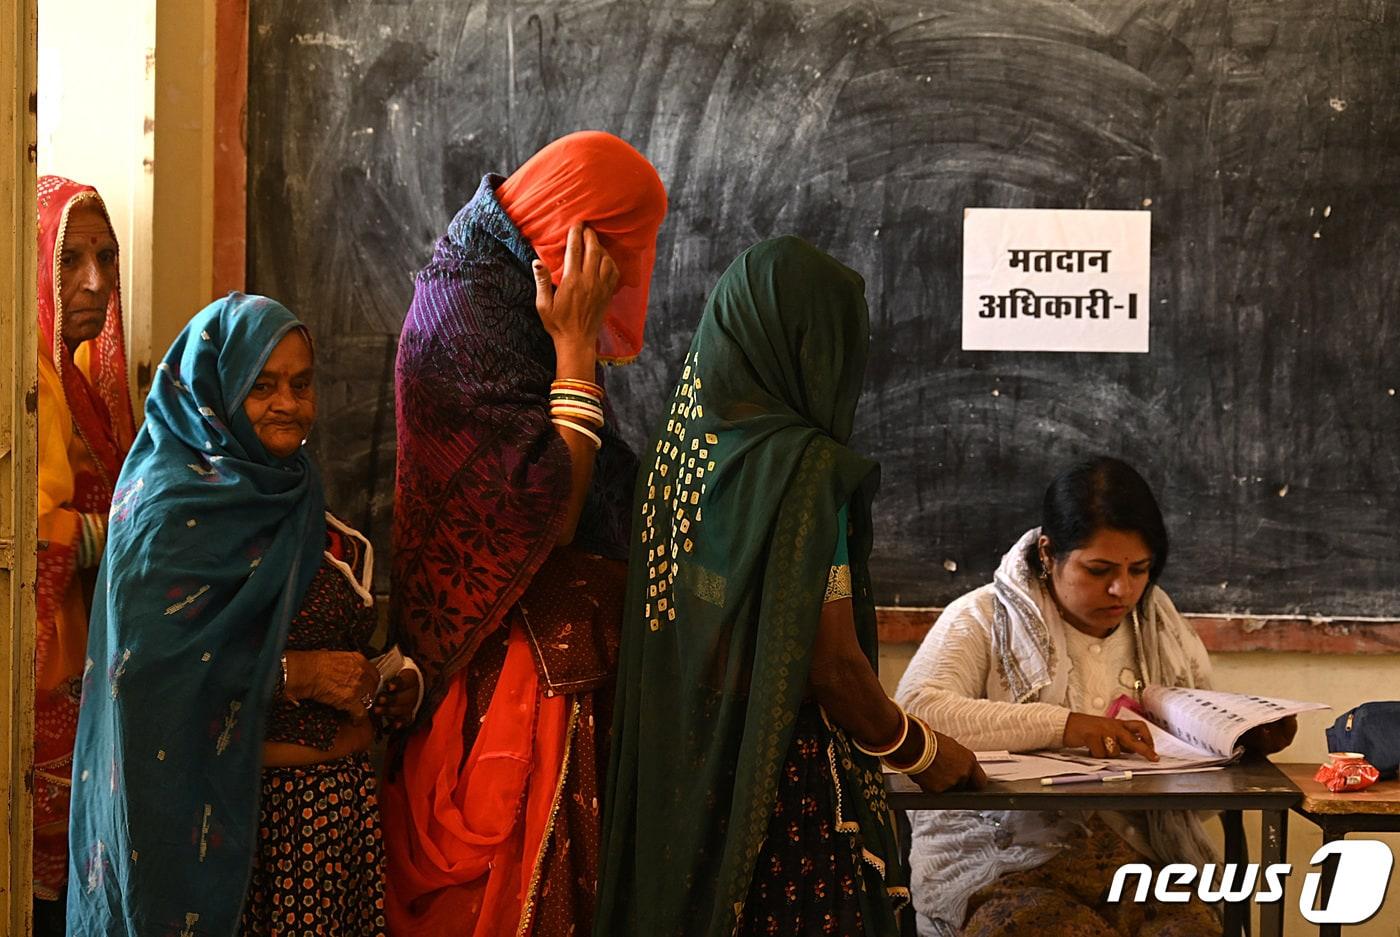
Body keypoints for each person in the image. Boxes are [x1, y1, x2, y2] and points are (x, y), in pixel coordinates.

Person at [594, 237, 985, 937]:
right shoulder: (803, 473)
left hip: (688, 784)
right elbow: (831, 666)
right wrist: (923, 751)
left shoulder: (676, 457)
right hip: (786, 794)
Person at [383, 130, 668, 937]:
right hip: (505, 687)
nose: (624, 277)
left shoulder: (502, 287)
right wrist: (576, 348)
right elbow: (549, 503)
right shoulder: (468, 317)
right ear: (576, 236)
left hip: (552, 658)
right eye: (619, 250)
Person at [65, 293, 421, 936]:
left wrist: (385, 677)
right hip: (229, 837)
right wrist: (299, 676)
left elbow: (308, 621)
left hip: (327, 836)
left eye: (301, 384)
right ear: (216, 389)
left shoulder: (294, 489)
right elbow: (147, 680)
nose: (288, 403)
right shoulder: (163, 515)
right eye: (262, 385)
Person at [895, 456, 1297, 937]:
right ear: (1048, 553)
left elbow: (1199, 783)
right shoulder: (982, 618)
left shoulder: (1158, 629)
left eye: (1139, 569)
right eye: (1098, 569)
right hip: (1007, 866)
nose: (1121, 589)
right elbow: (916, 712)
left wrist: (1241, 742)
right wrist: (1066, 725)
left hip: (1144, 865)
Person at [34, 176, 136, 934]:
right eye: (71, 258)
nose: (95, 281)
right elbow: (30, 533)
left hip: (88, 687)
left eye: (106, 257)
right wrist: (125, 533)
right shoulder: (24, 381)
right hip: (35, 697)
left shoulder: (78, 387)